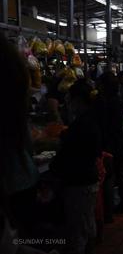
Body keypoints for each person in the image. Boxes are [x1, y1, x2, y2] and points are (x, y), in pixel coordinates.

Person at [0, 34, 51, 254]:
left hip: (18, 188)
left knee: (25, 235)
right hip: (25, 183)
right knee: (28, 234)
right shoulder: (16, 119)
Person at [50, 79, 102, 254]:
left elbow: (70, 148)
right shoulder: (90, 119)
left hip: (80, 182)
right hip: (89, 179)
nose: (68, 103)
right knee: (87, 223)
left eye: (70, 99)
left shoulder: (83, 123)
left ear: (78, 101)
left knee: (77, 232)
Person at [94, 72, 123, 214]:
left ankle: (108, 212)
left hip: (108, 142)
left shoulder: (101, 103)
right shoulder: (119, 101)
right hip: (119, 140)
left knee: (109, 176)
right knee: (121, 173)